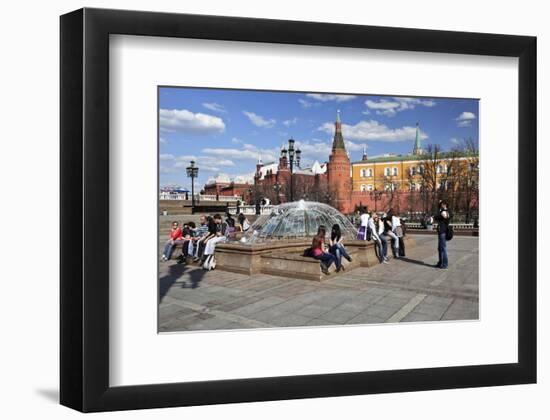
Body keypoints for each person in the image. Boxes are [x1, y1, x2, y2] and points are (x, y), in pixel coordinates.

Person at [434, 200, 452, 269]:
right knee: (440, 248)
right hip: (440, 231)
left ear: (444, 204)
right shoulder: (441, 211)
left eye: (441, 204)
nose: (440, 205)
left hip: (443, 231)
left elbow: (446, 216)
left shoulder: (446, 211)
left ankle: (445, 264)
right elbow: (436, 216)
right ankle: (440, 263)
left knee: (443, 248)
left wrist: (443, 213)